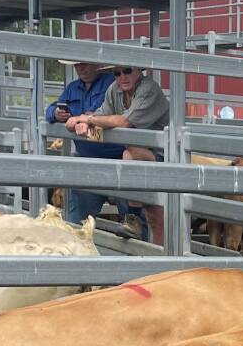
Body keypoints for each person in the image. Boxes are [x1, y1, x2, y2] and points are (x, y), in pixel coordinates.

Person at [66, 65, 169, 244]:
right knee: (153, 213)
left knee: (157, 215)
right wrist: (82, 124)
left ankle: (135, 223)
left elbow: (124, 122)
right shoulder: (114, 89)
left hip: (165, 157)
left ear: (139, 71)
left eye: (127, 71)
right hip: (137, 160)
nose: (122, 77)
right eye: (117, 73)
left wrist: (85, 119)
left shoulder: (148, 89)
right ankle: (145, 242)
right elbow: (99, 115)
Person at [46, 60, 136, 226]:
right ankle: (75, 247)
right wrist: (55, 113)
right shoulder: (73, 88)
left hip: (119, 158)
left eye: (85, 64)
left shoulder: (111, 84)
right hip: (89, 160)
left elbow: (104, 114)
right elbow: (50, 110)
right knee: (78, 215)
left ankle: (141, 246)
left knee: (132, 213)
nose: (81, 69)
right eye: (77, 66)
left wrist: (84, 119)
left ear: (97, 65)